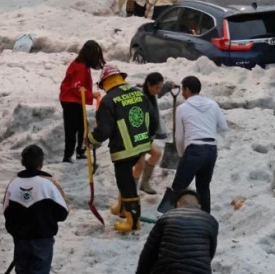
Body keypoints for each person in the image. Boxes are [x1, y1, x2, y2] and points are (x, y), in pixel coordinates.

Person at [87, 65, 159, 232]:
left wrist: (90, 139)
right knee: (124, 181)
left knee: (126, 183)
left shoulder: (108, 100)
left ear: (105, 82)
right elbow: (154, 119)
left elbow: (103, 131)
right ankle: (121, 207)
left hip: (123, 150)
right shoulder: (139, 93)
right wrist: (148, 139)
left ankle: (133, 222)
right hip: (141, 145)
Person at [3, 145, 68, 274]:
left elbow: (6, 211)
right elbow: (63, 212)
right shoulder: (48, 185)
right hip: (42, 240)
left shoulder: (13, 185)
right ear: (41, 163)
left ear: (22, 162)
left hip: (21, 241)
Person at [169, 76, 228, 214]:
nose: (182, 93)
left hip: (194, 149)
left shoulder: (182, 108)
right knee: (203, 187)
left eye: (183, 89)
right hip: (211, 149)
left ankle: (173, 219)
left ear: (187, 90)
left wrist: (181, 154)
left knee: (178, 186)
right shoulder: (213, 104)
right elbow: (224, 127)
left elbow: (179, 137)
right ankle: (205, 219)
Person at [59, 40, 105, 163]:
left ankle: (79, 150)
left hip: (72, 99)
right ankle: (68, 155)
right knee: (72, 129)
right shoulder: (81, 67)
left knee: (81, 126)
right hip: (70, 100)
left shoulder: (81, 65)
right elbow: (77, 87)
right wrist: (91, 95)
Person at [134, 73, 168, 194]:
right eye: (156, 88)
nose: (158, 91)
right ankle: (131, 191)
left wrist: (169, 86)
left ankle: (144, 183)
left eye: (160, 88)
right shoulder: (141, 98)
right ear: (149, 84)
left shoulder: (152, 94)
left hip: (148, 138)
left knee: (157, 153)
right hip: (139, 138)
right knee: (140, 165)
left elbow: (162, 90)